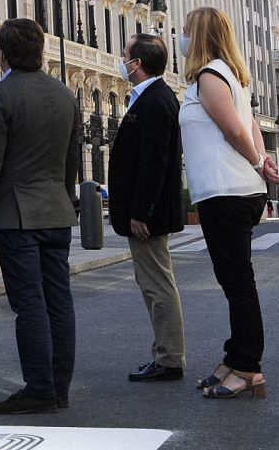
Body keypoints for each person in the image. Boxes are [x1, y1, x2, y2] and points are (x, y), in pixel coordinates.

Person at [0, 18, 80, 415]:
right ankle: (58, 387)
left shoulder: (2, 95)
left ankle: (38, 387)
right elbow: (72, 161)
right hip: (55, 210)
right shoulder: (66, 95)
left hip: (15, 214)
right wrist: (63, 200)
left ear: (3, 53)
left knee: (29, 303)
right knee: (59, 301)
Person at [178, 7, 279, 400]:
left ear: (199, 35)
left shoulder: (211, 77)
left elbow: (236, 128)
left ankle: (248, 367)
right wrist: (262, 160)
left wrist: (259, 161)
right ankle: (234, 357)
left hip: (228, 192)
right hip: (229, 190)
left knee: (238, 283)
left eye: (186, 31)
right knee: (233, 281)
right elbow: (251, 125)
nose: (181, 37)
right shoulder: (227, 75)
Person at [108, 33, 186, 383]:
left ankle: (169, 358)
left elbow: (154, 161)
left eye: (125, 55)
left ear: (137, 63)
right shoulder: (152, 97)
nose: (121, 60)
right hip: (146, 211)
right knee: (153, 283)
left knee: (157, 285)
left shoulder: (155, 101)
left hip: (147, 215)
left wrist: (141, 211)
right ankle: (165, 353)